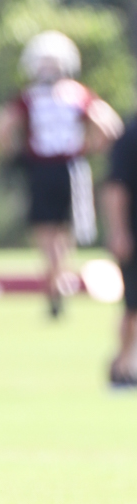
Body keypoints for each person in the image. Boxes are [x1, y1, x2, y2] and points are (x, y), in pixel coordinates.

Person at [0, 31, 121, 317]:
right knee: (65, 229)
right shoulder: (77, 93)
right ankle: (59, 278)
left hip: (41, 169)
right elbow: (110, 126)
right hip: (69, 168)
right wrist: (91, 148)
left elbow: (1, 129)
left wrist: (14, 155)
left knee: (46, 230)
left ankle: (54, 280)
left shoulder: (29, 97)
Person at [102, 116, 137, 387]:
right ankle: (123, 366)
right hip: (134, 233)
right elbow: (115, 186)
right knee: (133, 305)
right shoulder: (131, 134)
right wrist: (118, 231)